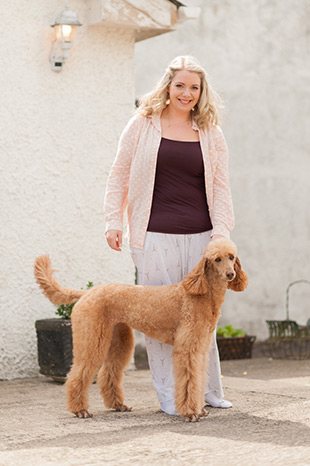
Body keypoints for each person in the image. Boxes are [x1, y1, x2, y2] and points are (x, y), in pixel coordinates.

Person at [104, 56, 235, 415]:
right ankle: (169, 397)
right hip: (154, 235)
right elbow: (119, 174)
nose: (187, 93)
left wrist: (220, 235)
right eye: (181, 85)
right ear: (167, 86)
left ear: (201, 92)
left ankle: (208, 391)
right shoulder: (142, 124)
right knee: (158, 319)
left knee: (203, 318)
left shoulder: (210, 131)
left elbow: (221, 187)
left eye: (194, 87)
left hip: (203, 239)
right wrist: (113, 221)